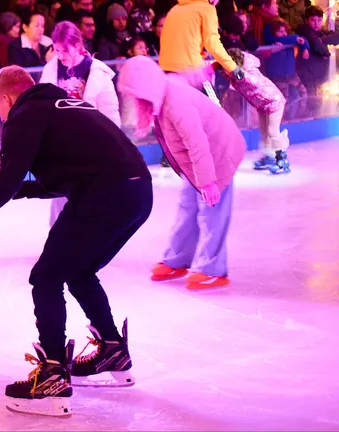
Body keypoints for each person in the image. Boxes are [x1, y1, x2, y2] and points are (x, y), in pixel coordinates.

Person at [0, 66, 153, 417]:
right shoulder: (67, 104)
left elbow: (6, 179)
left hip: (103, 195)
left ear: (8, 97)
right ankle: (112, 350)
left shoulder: (25, 114)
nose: (0, 116)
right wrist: (17, 192)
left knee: (45, 277)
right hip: (137, 191)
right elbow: (61, 177)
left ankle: (52, 377)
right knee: (79, 270)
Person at [117, 56, 245, 290]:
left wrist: (208, 183)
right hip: (197, 159)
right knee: (188, 206)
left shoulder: (175, 103)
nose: (134, 100)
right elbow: (188, 75)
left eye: (135, 94)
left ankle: (212, 269)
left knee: (211, 210)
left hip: (219, 151)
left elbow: (197, 143)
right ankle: (178, 259)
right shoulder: (162, 92)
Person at [40, 21, 121, 228]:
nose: (61, 55)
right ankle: (57, 239)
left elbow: (110, 111)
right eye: (57, 50)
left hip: (92, 145)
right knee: (59, 195)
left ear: (77, 45)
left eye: (65, 50)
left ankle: (88, 239)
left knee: (90, 195)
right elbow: (41, 107)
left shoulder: (97, 72)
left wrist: (115, 147)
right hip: (61, 145)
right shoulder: (51, 70)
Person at [217, 48, 290, 174]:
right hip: (261, 104)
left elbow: (255, 81)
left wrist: (242, 74)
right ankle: (269, 156)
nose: (225, 71)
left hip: (273, 101)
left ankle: (282, 160)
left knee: (273, 132)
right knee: (263, 132)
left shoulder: (250, 71)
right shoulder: (229, 72)